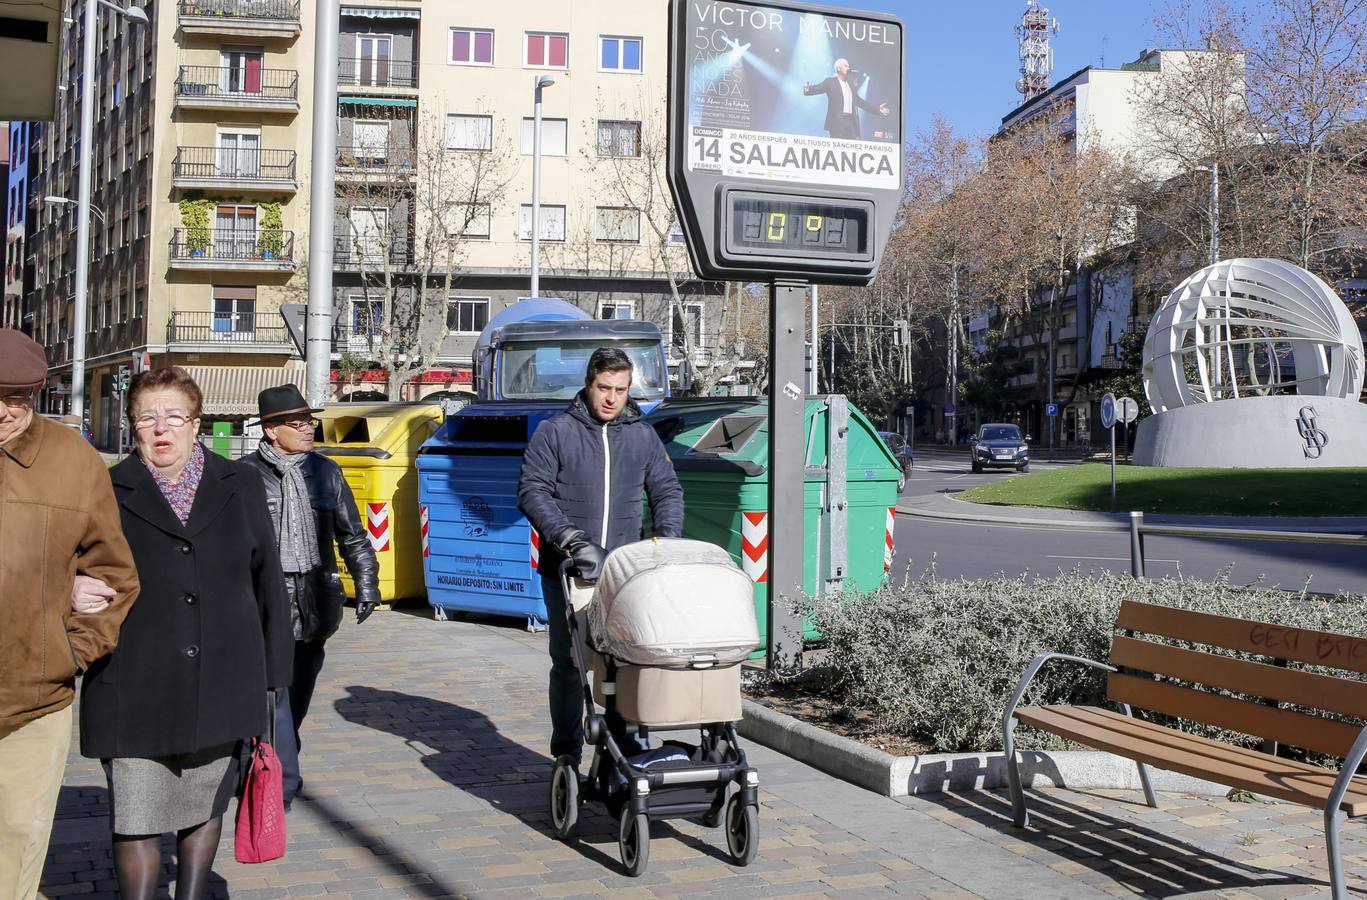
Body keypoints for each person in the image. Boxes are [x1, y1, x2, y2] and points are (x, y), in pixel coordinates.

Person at [78, 367, 293, 900]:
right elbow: (68, 562)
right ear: (132, 427)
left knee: (204, 807)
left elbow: (266, 575)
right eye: (147, 418)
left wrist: (273, 676)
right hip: (133, 681)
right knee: (136, 817)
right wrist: (70, 588)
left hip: (224, 676)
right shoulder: (107, 488)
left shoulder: (238, 481)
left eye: (174, 415)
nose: (161, 428)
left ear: (197, 424)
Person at [0, 330, 139, 900]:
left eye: (18, 399)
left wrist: (64, 649)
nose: (4, 412)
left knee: (14, 843)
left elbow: (113, 574)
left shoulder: (73, 460)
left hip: (34, 699)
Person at [517, 347, 685, 770]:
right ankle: (567, 755)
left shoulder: (642, 435)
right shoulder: (555, 432)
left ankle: (624, 754)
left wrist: (664, 545)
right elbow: (532, 492)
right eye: (604, 388)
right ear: (589, 384)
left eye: (621, 390)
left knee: (628, 664)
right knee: (571, 665)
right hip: (569, 572)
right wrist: (571, 540)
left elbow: (666, 491)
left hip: (627, 576)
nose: (612, 398)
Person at [241, 384, 379, 809]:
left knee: (296, 697)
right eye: (296, 423)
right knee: (272, 695)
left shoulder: (325, 472)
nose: (307, 429)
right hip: (266, 604)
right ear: (270, 430)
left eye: (308, 421)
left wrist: (367, 581)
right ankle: (275, 782)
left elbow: (352, 534)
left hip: (316, 602)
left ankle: (282, 755)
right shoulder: (243, 476)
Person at [802, 58, 891, 140]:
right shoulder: (830, 82)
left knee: (851, 147)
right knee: (838, 148)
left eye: (848, 66)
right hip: (837, 122)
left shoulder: (850, 85)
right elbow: (817, 88)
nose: (848, 68)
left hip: (851, 122)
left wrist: (877, 109)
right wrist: (807, 89)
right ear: (838, 69)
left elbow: (859, 101)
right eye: (845, 66)